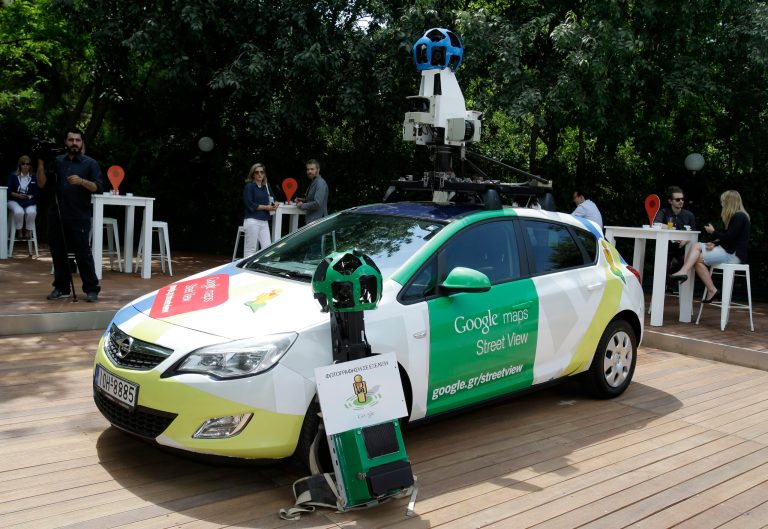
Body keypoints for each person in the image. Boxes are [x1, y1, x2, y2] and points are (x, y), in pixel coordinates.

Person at [37, 129, 104, 302]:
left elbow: (97, 187)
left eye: (77, 140)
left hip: (79, 215)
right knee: (58, 253)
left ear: (82, 143)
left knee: (83, 254)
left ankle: (91, 289)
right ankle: (62, 288)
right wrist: (41, 163)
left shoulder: (90, 163)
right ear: (65, 142)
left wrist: (81, 181)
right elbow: (42, 184)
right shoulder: (57, 161)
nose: (74, 143)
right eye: (71, 140)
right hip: (57, 214)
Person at [670, 190, 750, 304]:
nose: (722, 204)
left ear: (729, 202)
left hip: (734, 255)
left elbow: (729, 238)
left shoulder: (739, 216)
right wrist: (714, 244)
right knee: (696, 258)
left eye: (723, 201)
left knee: (696, 248)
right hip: (729, 252)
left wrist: (713, 232)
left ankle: (684, 272)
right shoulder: (737, 216)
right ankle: (712, 290)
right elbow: (729, 239)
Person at [653, 186, 696, 291]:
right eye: (677, 199)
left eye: (682, 199)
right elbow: (656, 224)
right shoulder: (664, 212)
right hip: (666, 248)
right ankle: (664, 288)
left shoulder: (689, 215)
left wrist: (685, 240)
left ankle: (672, 286)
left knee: (685, 260)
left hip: (682, 250)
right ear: (670, 201)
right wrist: (672, 228)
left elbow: (693, 233)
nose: (681, 201)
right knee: (663, 263)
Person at [243, 163, 277, 255]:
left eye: (262, 172)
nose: (259, 174)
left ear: (264, 174)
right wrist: (267, 207)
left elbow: (274, 199)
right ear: (253, 174)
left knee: (267, 248)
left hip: (264, 221)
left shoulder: (266, 186)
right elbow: (250, 204)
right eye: (257, 172)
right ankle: (246, 264)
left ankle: (263, 264)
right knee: (251, 249)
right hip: (252, 220)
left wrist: (275, 204)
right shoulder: (249, 186)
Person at [7, 155, 40, 240]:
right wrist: (18, 195)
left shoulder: (33, 176)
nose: (25, 166)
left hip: (28, 200)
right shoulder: (13, 175)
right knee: (19, 212)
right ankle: (19, 232)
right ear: (20, 165)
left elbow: (36, 192)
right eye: (23, 164)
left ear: (30, 166)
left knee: (32, 212)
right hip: (14, 200)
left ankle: (28, 231)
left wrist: (29, 196)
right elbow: (9, 190)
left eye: (27, 164)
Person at [295, 159, 328, 223]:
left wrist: (302, 205)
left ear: (318, 170)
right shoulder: (314, 182)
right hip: (313, 221)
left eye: (312, 169)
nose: (309, 171)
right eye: (308, 169)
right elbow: (312, 200)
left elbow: (317, 203)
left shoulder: (320, 183)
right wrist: (302, 200)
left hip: (318, 222)